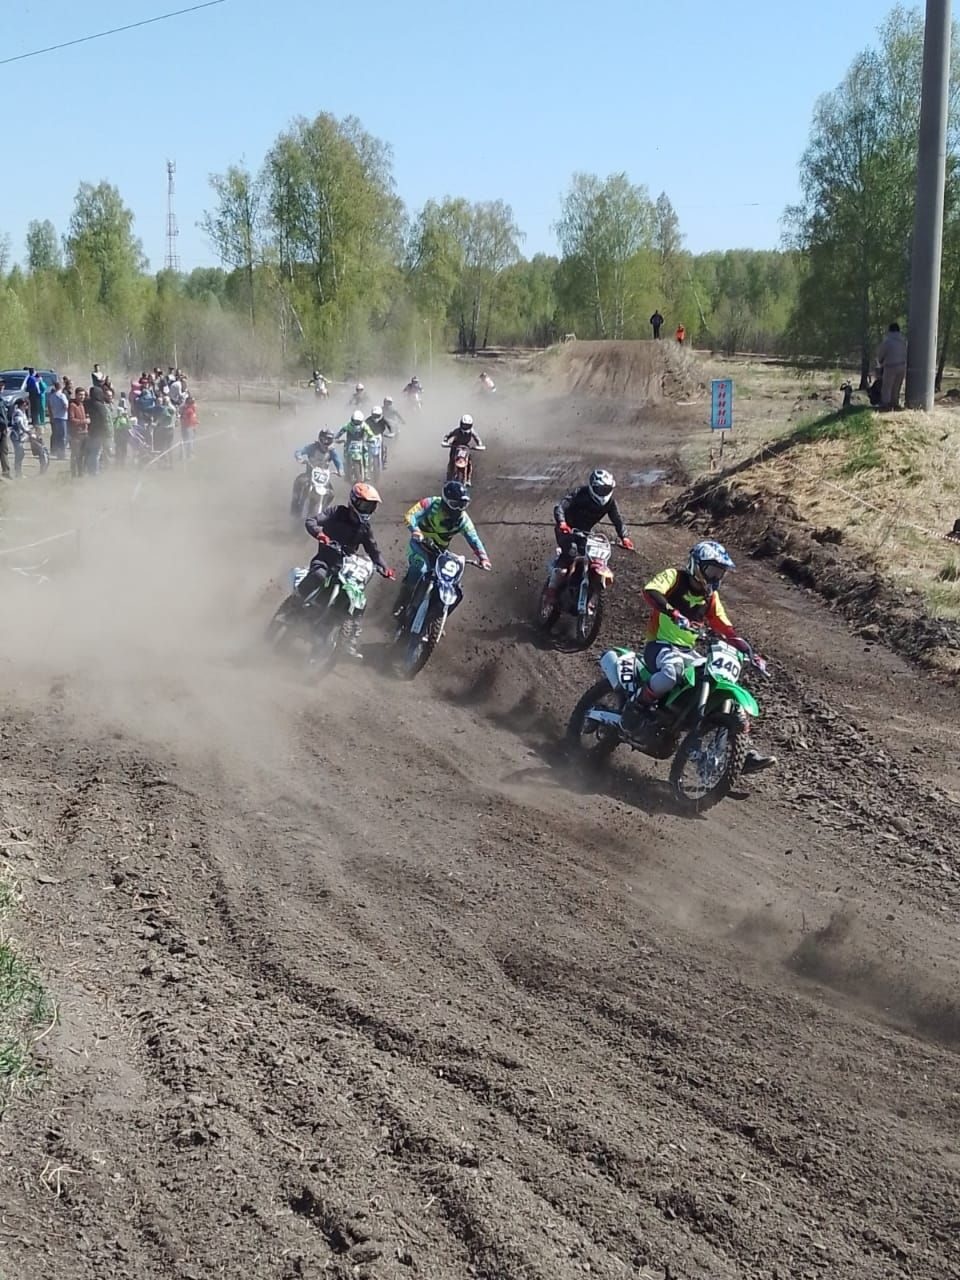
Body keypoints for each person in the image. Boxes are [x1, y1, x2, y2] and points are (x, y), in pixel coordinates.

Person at [627, 540, 775, 773]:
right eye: (713, 570)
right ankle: (637, 706)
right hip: (660, 645)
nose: (717, 577)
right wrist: (673, 613)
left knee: (717, 681)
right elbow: (651, 592)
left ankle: (739, 750)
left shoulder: (710, 597)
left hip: (688, 652)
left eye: (721, 573)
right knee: (672, 671)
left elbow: (726, 629)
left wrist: (750, 652)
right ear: (697, 565)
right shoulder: (675, 577)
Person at [297, 482, 395, 659]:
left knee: (359, 600)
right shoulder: (337, 512)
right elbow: (311, 521)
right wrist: (320, 533)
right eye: (364, 505)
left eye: (371, 506)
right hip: (325, 560)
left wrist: (384, 567)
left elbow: (373, 551)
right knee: (318, 576)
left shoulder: (364, 528)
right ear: (354, 501)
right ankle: (296, 604)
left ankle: (349, 640)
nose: (367, 509)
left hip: (344, 569)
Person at [394, 481, 491, 618]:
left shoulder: (464, 520)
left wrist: (483, 558)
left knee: (452, 585)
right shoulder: (432, 503)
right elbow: (410, 515)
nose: (458, 509)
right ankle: (401, 604)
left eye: (462, 505)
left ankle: (436, 617)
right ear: (445, 501)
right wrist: (415, 530)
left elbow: (473, 538)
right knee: (419, 569)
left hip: (439, 553)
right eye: (455, 504)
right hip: (419, 545)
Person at [544, 469, 633, 603]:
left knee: (595, 556)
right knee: (571, 552)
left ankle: (588, 593)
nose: (603, 493)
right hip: (567, 529)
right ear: (592, 487)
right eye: (600, 489)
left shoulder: (610, 502)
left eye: (606, 489)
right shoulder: (580, 493)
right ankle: (551, 590)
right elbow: (560, 507)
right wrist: (562, 522)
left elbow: (617, 519)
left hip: (586, 533)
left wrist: (624, 537)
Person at [441, 414, 485, 481]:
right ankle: (449, 477)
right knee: (452, 461)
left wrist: (479, 445)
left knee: (469, 462)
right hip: (455, 446)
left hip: (465, 447)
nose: (465, 427)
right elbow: (448, 435)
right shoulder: (457, 431)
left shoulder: (472, 432)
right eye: (464, 425)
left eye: (467, 425)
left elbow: (477, 439)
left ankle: (468, 479)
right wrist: (445, 441)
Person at [875, 322, 907, 411]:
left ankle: (886, 405)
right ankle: (895, 403)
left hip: (890, 366)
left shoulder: (887, 341)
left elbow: (881, 354)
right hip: (902, 366)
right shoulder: (903, 340)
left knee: (887, 387)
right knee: (897, 387)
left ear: (890, 330)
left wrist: (880, 361)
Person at [85, 384, 111, 475]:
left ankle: (90, 469)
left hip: (91, 431)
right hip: (99, 432)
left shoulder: (88, 403)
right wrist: (107, 432)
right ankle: (94, 471)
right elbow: (104, 420)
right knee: (96, 452)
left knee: (92, 451)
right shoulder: (100, 406)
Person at [365, 406, 395, 471]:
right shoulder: (368, 420)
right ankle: (365, 462)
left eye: (377, 415)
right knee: (364, 448)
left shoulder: (383, 420)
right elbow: (363, 427)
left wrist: (391, 433)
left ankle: (384, 462)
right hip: (370, 437)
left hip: (380, 436)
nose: (375, 417)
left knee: (384, 447)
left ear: (380, 414)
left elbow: (390, 427)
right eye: (374, 415)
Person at [68, 387, 88, 478]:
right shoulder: (73, 405)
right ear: (76, 395)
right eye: (80, 395)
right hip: (76, 434)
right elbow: (71, 419)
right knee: (75, 455)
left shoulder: (82, 405)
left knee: (82, 455)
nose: (82, 397)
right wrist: (84, 421)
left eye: (83, 395)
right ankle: (74, 473)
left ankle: (81, 473)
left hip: (84, 433)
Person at [47, 380, 69, 460]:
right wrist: (65, 411)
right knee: (63, 437)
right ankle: (62, 454)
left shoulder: (52, 396)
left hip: (55, 417)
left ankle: (57, 452)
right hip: (62, 417)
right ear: (61, 386)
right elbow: (66, 405)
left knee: (57, 436)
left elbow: (50, 406)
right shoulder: (62, 395)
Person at [9, 399, 29, 478]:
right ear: (21, 405)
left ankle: (18, 472)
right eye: (25, 405)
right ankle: (18, 472)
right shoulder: (18, 412)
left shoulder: (22, 412)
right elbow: (19, 424)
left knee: (20, 454)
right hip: (17, 436)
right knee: (19, 454)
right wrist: (27, 431)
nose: (26, 406)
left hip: (21, 436)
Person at [180, 394, 198, 460]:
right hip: (187, 427)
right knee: (188, 441)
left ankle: (188, 454)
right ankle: (188, 455)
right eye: (192, 401)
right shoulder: (187, 409)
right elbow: (184, 418)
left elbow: (193, 416)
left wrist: (196, 422)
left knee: (191, 441)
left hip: (192, 426)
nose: (194, 403)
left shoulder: (192, 408)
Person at [0, 380, 11, 480]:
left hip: (3, 429)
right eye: (0, 385)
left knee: (4, 450)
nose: (2, 386)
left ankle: (6, 472)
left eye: (3, 384)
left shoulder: (2, 399)